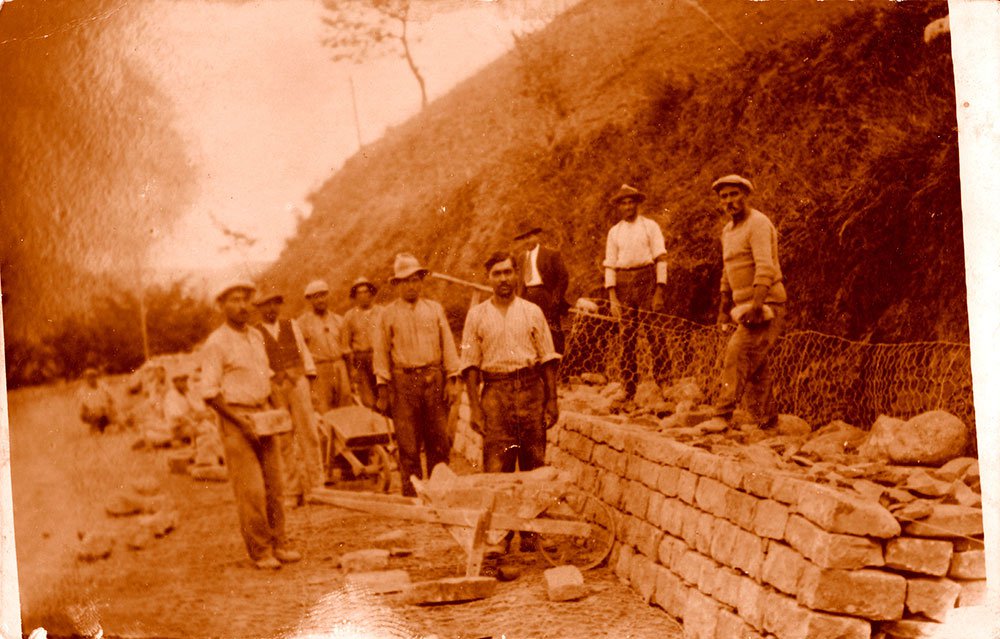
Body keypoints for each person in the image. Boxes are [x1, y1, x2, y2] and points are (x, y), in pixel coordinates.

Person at [200, 280, 301, 570]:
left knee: (275, 485)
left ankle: (280, 543)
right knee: (251, 490)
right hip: (236, 418)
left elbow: (267, 377)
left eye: (246, 299)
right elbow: (210, 392)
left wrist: (279, 409)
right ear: (222, 305)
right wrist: (239, 421)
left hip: (263, 415)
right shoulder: (216, 343)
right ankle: (260, 550)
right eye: (234, 300)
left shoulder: (256, 336)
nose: (242, 306)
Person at [372, 253, 461, 497]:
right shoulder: (387, 314)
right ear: (397, 284)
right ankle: (412, 495)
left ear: (421, 281)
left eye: (415, 280)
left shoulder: (434, 309)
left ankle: (440, 494)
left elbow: (448, 345)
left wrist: (452, 379)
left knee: (438, 441)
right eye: (405, 281)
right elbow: (381, 352)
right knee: (408, 444)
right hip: (403, 384)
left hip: (433, 380)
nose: (411, 286)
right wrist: (383, 388)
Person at [710, 174, 787, 429]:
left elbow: (765, 267)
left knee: (737, 353)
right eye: (724, 197)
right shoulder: (727, 231)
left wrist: (757, 305)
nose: (729, 201)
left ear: (745, 195)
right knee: (757, 366)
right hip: (743, 308)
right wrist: (724, 309)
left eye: (734, 194)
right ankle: (767, 421)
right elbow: (727, 272)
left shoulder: (758, 224)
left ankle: (722, 415)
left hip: (766, 304)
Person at [254, 288, 324, 507]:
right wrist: (272, 377)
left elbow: (304, 354)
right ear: (259, 308)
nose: (271, 308)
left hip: (298, 382)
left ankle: (317, 486)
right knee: (283, 439)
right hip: (274, 386)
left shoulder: (291, 325)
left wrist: (309, 381)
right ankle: (293, 490)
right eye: (266, 305)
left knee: (309, 433)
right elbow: (257, 362)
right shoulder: (255, 333)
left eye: (275, 303)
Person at [603, 183, 671, 399]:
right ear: (619, 207)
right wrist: (612, 297)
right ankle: (628, 387)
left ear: (637, 204)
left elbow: (661, 258)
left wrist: (659, 289)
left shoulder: (650, 226)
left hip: (646, 279)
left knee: (655, 332)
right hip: (623, 282)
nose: (627, 206)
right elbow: (610, 264)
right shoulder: (615, 232)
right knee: (627, 335)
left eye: (630, 202)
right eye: (623, 203)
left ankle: (664, 381)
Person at [512, 221, 570, 355]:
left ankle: (558, 360)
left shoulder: (550, 254)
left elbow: (563, 278)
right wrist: (519, 300)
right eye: (523, 238)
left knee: (551, 331)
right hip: (527, 297)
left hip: (546, 296)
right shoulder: (521, 258)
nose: (527, 241)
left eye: (529, 237)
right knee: (529, 331)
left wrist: (555, 299)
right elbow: (520, 282)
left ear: (536, 236)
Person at [298, 279, 353, 413]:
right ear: (310, 300)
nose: (320, 300)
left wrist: (350, 374)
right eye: (316, 297)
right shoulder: (303, 323)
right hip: (319, 370)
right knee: (323, 408)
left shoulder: (339, 320)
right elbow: (301, 354)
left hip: (339, 366)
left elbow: (346, 350)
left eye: (323, 295)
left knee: (346, 405)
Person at [341, 276, 382, 409]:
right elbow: (345, 345)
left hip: (380, 357)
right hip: (361, 359)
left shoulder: (382, 312)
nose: (363, 295)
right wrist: (352, 369)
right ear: (355, 296)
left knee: (384, 393)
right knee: (367, 398)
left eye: (366, 292)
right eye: (359, 293)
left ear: (371, 293)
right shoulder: (349, 316)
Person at [78, 368, 116, 434]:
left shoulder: (103, 386)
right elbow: (83, 407)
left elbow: (111, 399)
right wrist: (96, 410)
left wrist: (108, 407)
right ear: (85, 379)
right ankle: (95, 427)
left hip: (105, 410)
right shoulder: (82, 391)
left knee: (113, 415)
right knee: (96, 414)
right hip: (91, 412)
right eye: (88, 378)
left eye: (93, 377)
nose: (91, 380)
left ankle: (104, 426)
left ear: (96, 377)